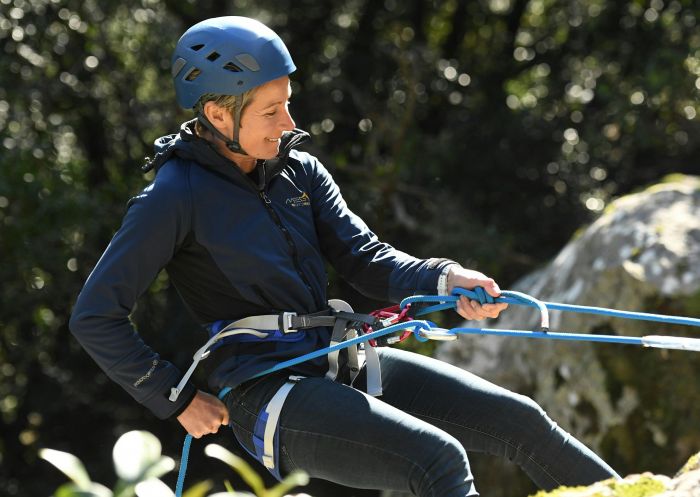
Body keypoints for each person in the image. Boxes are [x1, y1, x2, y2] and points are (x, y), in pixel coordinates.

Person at [69, 16, 619, 497]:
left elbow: (366, 258)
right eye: (271, 111)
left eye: (287, 104)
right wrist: (176, 397)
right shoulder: (173, 197)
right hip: (268, 393)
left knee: (520, 421)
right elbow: (95, 315)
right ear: (217, 114)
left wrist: (445, 277)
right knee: (439, 460)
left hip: (341, 359)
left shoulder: (298, 172)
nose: (287, 123)